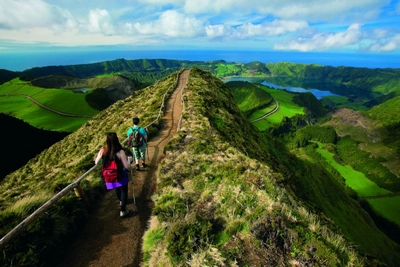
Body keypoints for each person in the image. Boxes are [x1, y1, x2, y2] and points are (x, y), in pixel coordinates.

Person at [95, 132, 132, 217]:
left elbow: (96, 162)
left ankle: (120, 201)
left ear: (107, 140)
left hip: (109, 175)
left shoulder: (103, 150)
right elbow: (126, 166)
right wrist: (129, 162)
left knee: (117, 189)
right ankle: (123, 210)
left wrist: (102, 160)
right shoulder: (120, 151)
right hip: (120, 174)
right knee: (124, 191)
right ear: (117, 140)